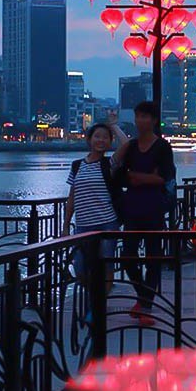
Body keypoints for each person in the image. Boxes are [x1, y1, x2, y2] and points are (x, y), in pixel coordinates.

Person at [116, 101, 176, 325]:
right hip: (132, 206)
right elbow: (122, 174)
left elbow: (164, 177)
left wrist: (138, 177)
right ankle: (142, 297)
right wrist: (145, 176)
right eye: (138, 116)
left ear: (153, 120)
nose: (140, 120)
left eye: (145, 116)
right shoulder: (131, 147)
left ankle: (146, 305)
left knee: (153, 256)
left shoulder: (162, 147)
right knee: (128, 256)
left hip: (153, 206)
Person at [63, 115, 129, 304]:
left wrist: (114, 126)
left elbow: (126, 145)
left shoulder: (109, 164)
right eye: (97, 136)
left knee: (106, 265)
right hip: (83, 225)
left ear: (109, 142)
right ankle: (94, 298)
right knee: (80, 268)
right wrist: (66, 225)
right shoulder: (77, 166)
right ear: (89, 139)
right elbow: (72, 197)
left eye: (105, 137)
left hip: (107, 223)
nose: (101, 140)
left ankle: (99, 304)